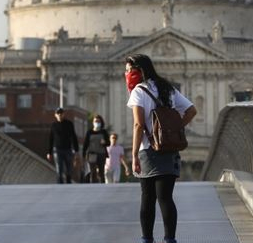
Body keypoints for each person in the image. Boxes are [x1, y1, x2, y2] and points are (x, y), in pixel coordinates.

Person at [126, 54, 197, 243]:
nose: (126, 74)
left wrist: (133, 155)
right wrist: (176, 128)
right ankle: (170, 239)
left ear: (139, 71)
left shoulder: (138, 91)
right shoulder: (168, 88)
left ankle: (147, 239)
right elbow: (192, 110)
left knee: (148, 198)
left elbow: (138, 125)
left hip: (148, 150)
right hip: (169, 148)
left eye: (128, 70)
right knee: (166, 198)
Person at [46, 107, 79, 184]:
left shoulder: (69, 124)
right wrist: (49, 152)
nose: (60, 115)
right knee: (59, 168)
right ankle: (60, 184)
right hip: (57, 150)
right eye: (58, 114)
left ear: (64, 114)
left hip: (68, 149)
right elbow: (51, 138)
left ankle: (68, 182)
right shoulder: (53, 125)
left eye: (61, 113)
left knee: (69, 168)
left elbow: (73, 137)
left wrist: (76, 150)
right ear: (55, 115)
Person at [82, 114, 110, 183]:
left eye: (98, 121)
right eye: (95, 121)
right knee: (92, 171)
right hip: (92, 154)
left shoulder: (104, 132)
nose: (97, 123)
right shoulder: (89, 132)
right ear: (93, 122)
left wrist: (104, 142)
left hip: (101, 153)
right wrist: (83, 153)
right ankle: (93, 185)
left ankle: (102, 184)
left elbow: (108, 143)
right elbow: (85, 143)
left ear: (101, 122)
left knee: (101, 171)